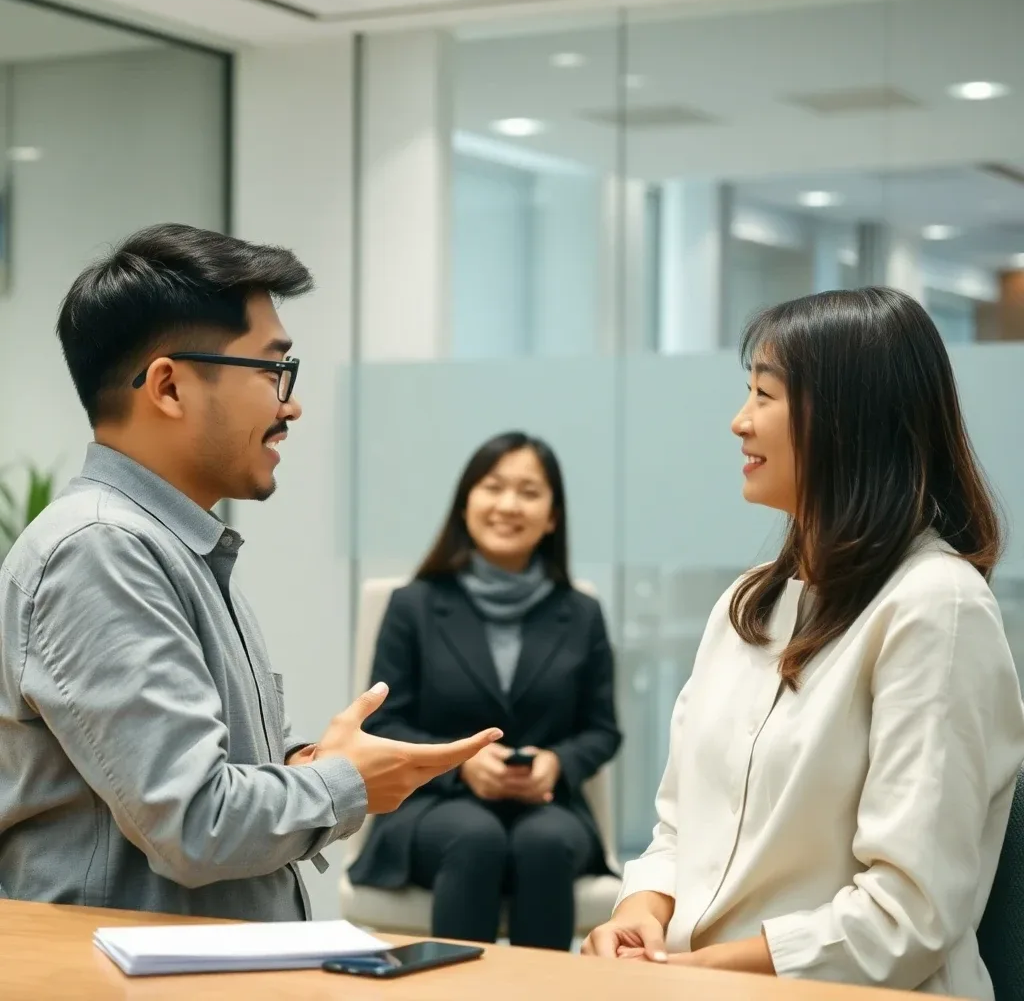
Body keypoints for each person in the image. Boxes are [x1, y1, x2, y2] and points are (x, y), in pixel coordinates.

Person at [0, 223, 500, 920]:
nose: (289, 404)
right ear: (170, 386)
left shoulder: (171, 545)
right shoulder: (100, 550)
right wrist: (347, 781)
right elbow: (196, 824)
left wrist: (302, 765)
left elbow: (189, 784)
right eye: (272, 370)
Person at [582, 287, 1024, 999]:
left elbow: (906, 919)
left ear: (850, 420)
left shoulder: (936, 608)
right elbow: (678, 827)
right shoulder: (748, 602)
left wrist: (687, 972)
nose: (738, 422)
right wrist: (642, 914)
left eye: (765, 395)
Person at [348, 431, 622, 950]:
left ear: (553, 516)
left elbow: (601, 730)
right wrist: (461, 764)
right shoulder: (414, 605)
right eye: (493, 486)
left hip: (547, 809)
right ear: (466, 501)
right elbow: (383, 723)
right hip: (430, 805)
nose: (508, 505)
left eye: (529, 491)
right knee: (476, 837)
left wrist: (556, 763)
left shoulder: (580, 612)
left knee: (541, 842)